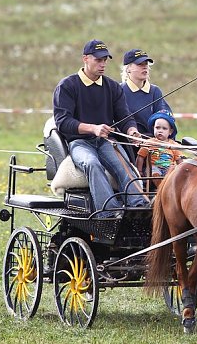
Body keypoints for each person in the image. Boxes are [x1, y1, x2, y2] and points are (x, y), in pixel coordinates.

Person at [53, 39, 149, 216]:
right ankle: (109, 213)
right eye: (98, 60)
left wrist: (132, 131)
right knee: (92, 164)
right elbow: (63, 121)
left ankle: (139, 207)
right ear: (85, 59)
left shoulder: (112, 87)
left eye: (105, 60)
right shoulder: (67, 86)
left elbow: (125, 117)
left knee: (124, 166)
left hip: (105, 142)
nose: (103, 64)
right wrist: (93, 128)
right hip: (79, 143)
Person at [120, 48, 171, 134]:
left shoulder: (155, 91)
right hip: (124, 140)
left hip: (150, 141)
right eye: (140, 64)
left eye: (146, 64)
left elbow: (165, 116)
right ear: (128, 69)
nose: (145, 67)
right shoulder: (118, 90)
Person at [136, 110, 185, 189]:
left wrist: (182, 172)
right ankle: (161, 188)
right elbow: (140, 157)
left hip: (168, 168)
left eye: (164, 128)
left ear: (170, 131)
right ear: (153, 128)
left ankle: (166, 186)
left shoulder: (173, 145)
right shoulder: (149, 143)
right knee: (155, 172)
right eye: (157, 127)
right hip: (153, 167)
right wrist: (139, 171)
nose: (160, 131)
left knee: (172, 170)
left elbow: (179, 160)